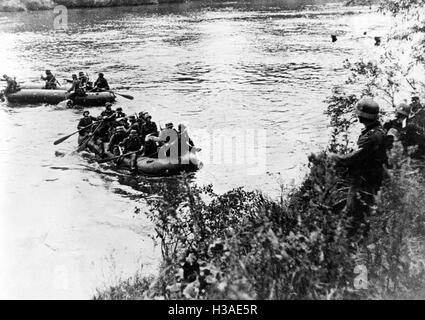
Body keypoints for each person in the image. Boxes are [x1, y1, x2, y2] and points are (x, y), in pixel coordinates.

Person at [330, 97, 387, 241]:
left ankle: (350, 248)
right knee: (361, 213)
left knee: (352, 217)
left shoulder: (372, 136)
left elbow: (353, 158)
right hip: (373, 179)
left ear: (362, 116)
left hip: (364, 181)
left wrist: (334, 157)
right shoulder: (379, 131)